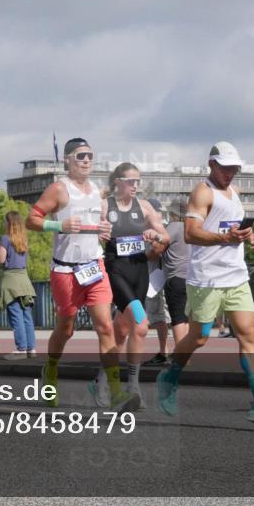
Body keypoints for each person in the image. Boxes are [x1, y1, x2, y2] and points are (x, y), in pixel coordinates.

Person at [156, 141, 254, 426]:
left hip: (236, 276)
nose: (230, 173)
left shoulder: (234, 192)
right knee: (199, 337)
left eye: (234, 168)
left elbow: (231, 225)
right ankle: (169, 377)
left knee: (248, 336)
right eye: (225, 168)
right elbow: (191, 233)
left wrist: (249, 235)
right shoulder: (202, 192)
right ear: (212, 164)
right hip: (206, 278)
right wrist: (224, 238)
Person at [26, 137, 140, 413]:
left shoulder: (97, 192)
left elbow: (98, 226)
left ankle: (116, 393)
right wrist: (58, 225)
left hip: (93, 266)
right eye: (80, 156)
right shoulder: (58, 189)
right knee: (66, 329)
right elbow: (32, 219)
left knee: (105, 326)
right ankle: (51, 369)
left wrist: (104, 230)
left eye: (90, 155)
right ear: (67, 160)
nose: (86, 160)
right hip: (65, 269)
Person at [90, 164, 168, 408]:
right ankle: (133, 387)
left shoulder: (144, 207)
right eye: (131, 181)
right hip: (116, 269)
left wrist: (155, 236)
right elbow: (85, 232)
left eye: (138, 181)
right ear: (118, 181)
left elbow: (165, 236)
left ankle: (101, 379)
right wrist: (97, 233)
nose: (136, 186)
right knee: (141, 324)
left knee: (122, 330)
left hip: (139, 269)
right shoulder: (105, 206)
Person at [144, 198, 192, 366]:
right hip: (190, 277)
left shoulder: (173, 227)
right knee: (185, 318)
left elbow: (158, 249)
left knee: (177, 319)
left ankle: (180, 357)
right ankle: (185, 356)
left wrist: (143, 256)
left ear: (173, 213)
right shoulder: (190, 227)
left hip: (174, 277)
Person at [0, 211, 37, 360]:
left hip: (11, 281)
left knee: (16, 315)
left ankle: (21, 349)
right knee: (26, 316)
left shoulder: (5, 239)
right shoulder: (24, 240)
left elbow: (0, 260)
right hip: (24, 280)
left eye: (5, 221)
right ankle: (31, 349)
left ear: (9, 223)